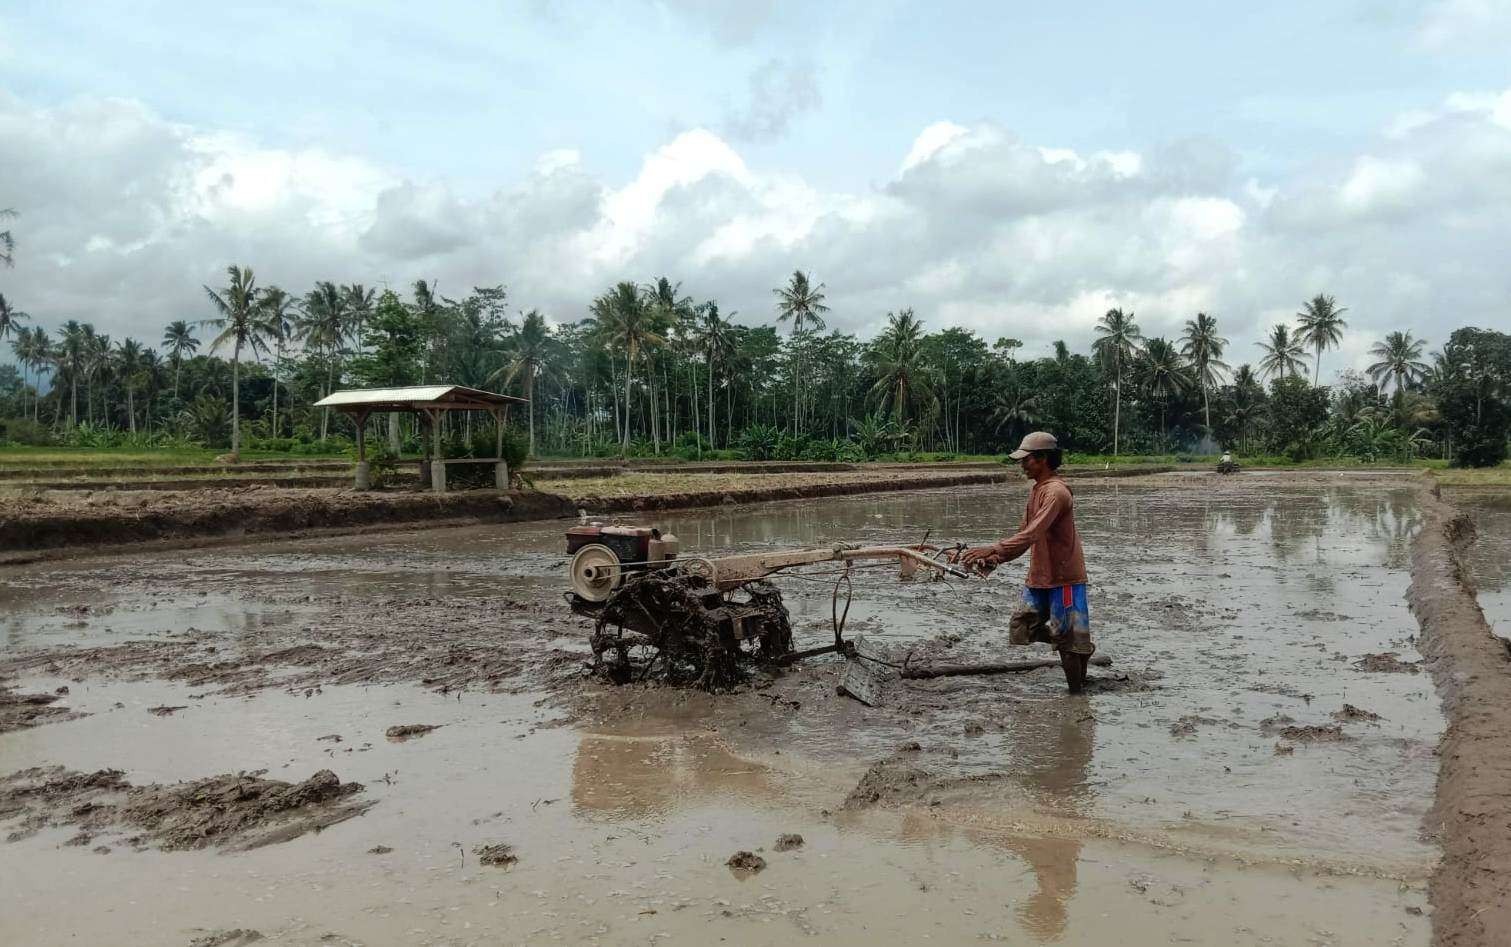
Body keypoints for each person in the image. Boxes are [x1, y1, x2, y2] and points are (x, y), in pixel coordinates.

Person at [959, 431, 1094, 693]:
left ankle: (1076, 698)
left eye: (1026, 460)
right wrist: (996, 558)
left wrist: (992, 547)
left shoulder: (1056, 493)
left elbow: (1033, 533)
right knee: (1021, 627)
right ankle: (1079, 646)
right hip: (1040, 576)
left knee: (1067, 646)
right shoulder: (1037, 491)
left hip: (1064, 578)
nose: (1022, 465)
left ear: (1043, 459)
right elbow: (1026, 536)